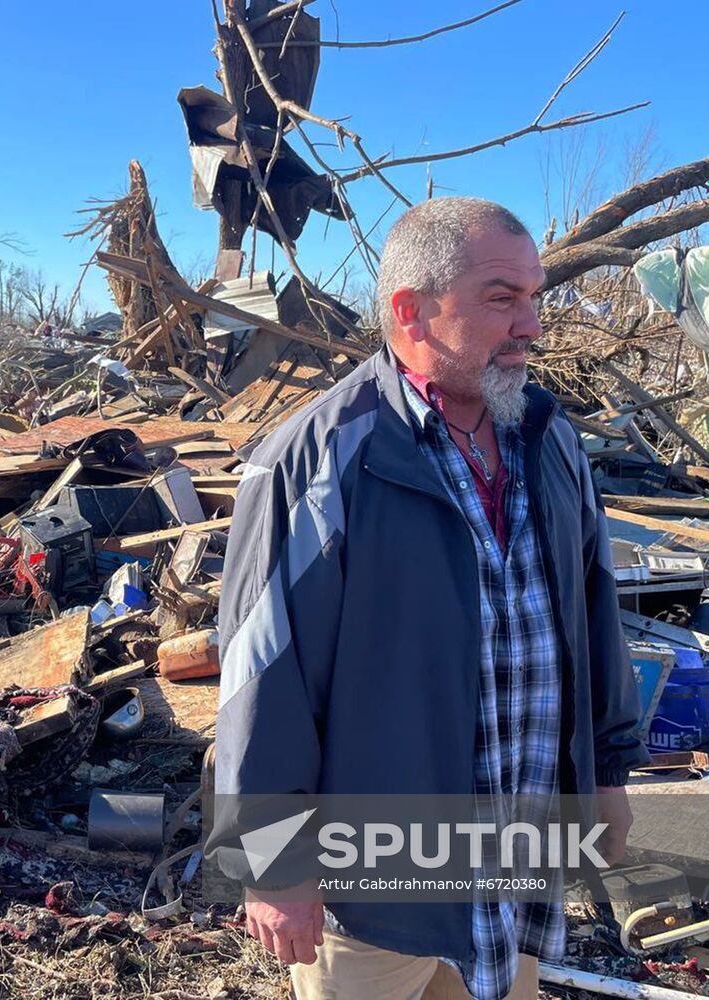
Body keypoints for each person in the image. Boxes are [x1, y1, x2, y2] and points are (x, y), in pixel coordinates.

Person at [207, 197, 649, 1000]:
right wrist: (273, 864)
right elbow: (262, 673)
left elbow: (593, 613)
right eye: (499, 298)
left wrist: (608, 771)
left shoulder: (547, 439)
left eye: (534, 296)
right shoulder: (316, 461)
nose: (532, 326)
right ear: (410, 312)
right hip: (378, 892)